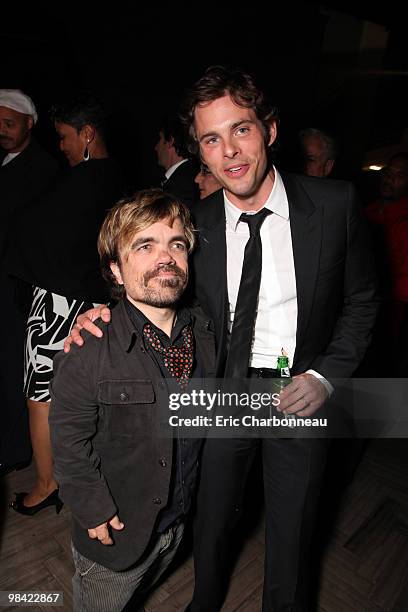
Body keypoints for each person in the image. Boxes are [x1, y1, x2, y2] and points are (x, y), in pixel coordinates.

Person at [66, 66, 378, 611]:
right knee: (209, 523)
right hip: (219, 395)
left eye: (242, 129)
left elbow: (362, 302)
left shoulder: (335, 206)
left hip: (298, 395)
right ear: (201, 152)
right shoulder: (197, 225)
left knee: (293, 533)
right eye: (212, 138)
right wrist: (104, 312)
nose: (230, 151)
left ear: (270, 131)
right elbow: (160, 283)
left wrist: (327, 376)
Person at [49, 189, 215, 612]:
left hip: (176, 522)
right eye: (144, 245)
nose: (166, 257)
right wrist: (92, 509)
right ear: (117, 271)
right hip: (116, 540)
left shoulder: (209, 336)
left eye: (176, 244)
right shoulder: (88, 350)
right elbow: (68, 440)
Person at [5, 93, 123, 514]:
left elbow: (28, 230)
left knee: (40, 396)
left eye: (65, 137)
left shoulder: (80, 180)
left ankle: (45, 484)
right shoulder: (118, 179)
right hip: (98, 307)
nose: (62, 146)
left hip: (58, 305)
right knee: (84, 397)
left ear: (87, 134)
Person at [0, 89, 59, 478]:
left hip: (17, 287)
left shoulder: (44, 170)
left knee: (11, 370)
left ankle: (14, 451)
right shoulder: (4, 161)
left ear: (29, 124)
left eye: (9, 124)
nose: (2, 131)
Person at [364, 152, 408, 374]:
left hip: (396, 312)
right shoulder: (366, 211)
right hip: (365, 308)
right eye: (389, 173)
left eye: (400, 175)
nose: (390, 179)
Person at [155, 113, 199, 206]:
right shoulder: (188, 174)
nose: (156, 147)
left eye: (159, 139)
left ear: (170, 141)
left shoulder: (181, 186)